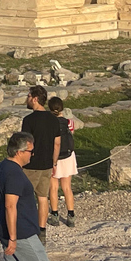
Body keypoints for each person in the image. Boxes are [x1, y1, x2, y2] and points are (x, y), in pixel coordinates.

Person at [0, 132, 53, 261]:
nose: (32, 155)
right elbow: (10, 205)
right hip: (21, 233)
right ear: (19, 152)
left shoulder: (3, 166)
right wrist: (13, 238)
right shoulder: (14, 173)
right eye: (30, 151)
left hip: (9, 229)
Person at [21, 85, 61, 244]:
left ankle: (26, 229)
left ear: (35, 98)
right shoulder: (53, 119)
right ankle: (42, 230)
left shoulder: (28, 120)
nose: (27, 99)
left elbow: (25, 143)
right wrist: (54, 162)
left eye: (29, 96)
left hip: (31, 165)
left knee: (25, 198)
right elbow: (57, 143)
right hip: (47, 164)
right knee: (43, 197)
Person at [47, 97, 77, 228]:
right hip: (68, 156)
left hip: (54, 157)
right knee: (67, 187)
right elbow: (71, 134)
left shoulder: (48, 123)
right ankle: (71, 216)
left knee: (53, 187)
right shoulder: (69, 122)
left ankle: (54, 215)